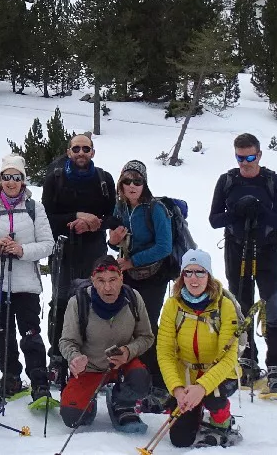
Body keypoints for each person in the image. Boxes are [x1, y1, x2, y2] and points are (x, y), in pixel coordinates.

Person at [0, 154, 55, 401]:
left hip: (26, 282)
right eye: (6, 177)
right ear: (0, 179)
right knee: (3, 331)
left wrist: (22, 250)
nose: (11, 182)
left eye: (16, 177)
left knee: (30, 332)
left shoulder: (34, 208)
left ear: (23, 181)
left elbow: (48, 245)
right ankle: (11, 377)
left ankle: (39, 381)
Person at [208, 133, 277, 396]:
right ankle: (247, 357)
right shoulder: (227, 180)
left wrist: (259, 209)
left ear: (260, 155)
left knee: (271, 303)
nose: (245, 162)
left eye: (250, 157)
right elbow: (214, 219)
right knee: (241, 304)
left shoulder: (273, 181)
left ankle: (276, 364)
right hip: (236, 248)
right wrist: (237, 211)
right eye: (240, 157)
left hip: (266, 250)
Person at [40, 132, 118, 383]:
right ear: (68, 152)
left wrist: (95, 223)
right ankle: (58, 356)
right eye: (77, 149)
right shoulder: (55, 177)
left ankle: (92, 357)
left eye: (86, 149)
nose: (81, 153)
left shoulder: (104, 179)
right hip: (63, 249)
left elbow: (114, 216)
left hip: (94, 250)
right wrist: (77, 215)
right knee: (61, 302)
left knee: (93, 302)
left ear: (93, 152)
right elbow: (46, 217)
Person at [157, 250, 243, 448]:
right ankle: (193, 413)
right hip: (186, 375)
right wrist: (177, 389)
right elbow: (165, 352)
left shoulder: (224, 306)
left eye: (200, 272)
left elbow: (229, 357)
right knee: (180, 440)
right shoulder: (172, 305)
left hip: (219, 374)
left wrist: (203, 387)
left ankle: (221, 421)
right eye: (188, 272)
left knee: (214, 397)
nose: (193, 279)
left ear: (209, 275)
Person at [58, 256, 154, 431]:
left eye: (113, 280)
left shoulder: (134, 298)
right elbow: (67, 341)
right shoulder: (79, 302)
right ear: (92, 281)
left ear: (121, 278)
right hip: (90, 368)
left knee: (141, 379)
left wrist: (128, 351)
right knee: (73, 418)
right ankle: (90, 400)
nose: (107, 287)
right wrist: (75, 357)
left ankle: (122, 402)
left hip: (122, 365)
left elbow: (146, 337)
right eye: (101, 281)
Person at [108, 159, 174, 395]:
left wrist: (133, 261)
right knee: (130, 324)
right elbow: (119, 243)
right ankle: (136, 374)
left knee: (147, 326)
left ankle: (157, 380)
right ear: (121, 184)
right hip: (130, 274)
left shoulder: (156, 209)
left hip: (154, 275)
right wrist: (113, 242)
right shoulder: (120, 208)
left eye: (137, 181)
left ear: (144, 184)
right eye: (127, 181)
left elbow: (165, 246)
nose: (132, 185)